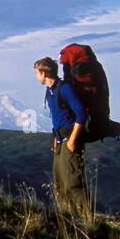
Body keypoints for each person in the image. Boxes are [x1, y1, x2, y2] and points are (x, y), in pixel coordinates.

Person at [33, 56, 92, 221]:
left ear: (44, 73)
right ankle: (67, 217)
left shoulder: (64, 89)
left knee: (73, 182)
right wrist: (55, 137)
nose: (36, 77)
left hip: (69, 141)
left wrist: (73, 139)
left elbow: (81, 113)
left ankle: (88, 221)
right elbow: (57, 117)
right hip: (59, 141)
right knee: (59, 182)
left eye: (37, 73)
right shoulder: (50, 91)